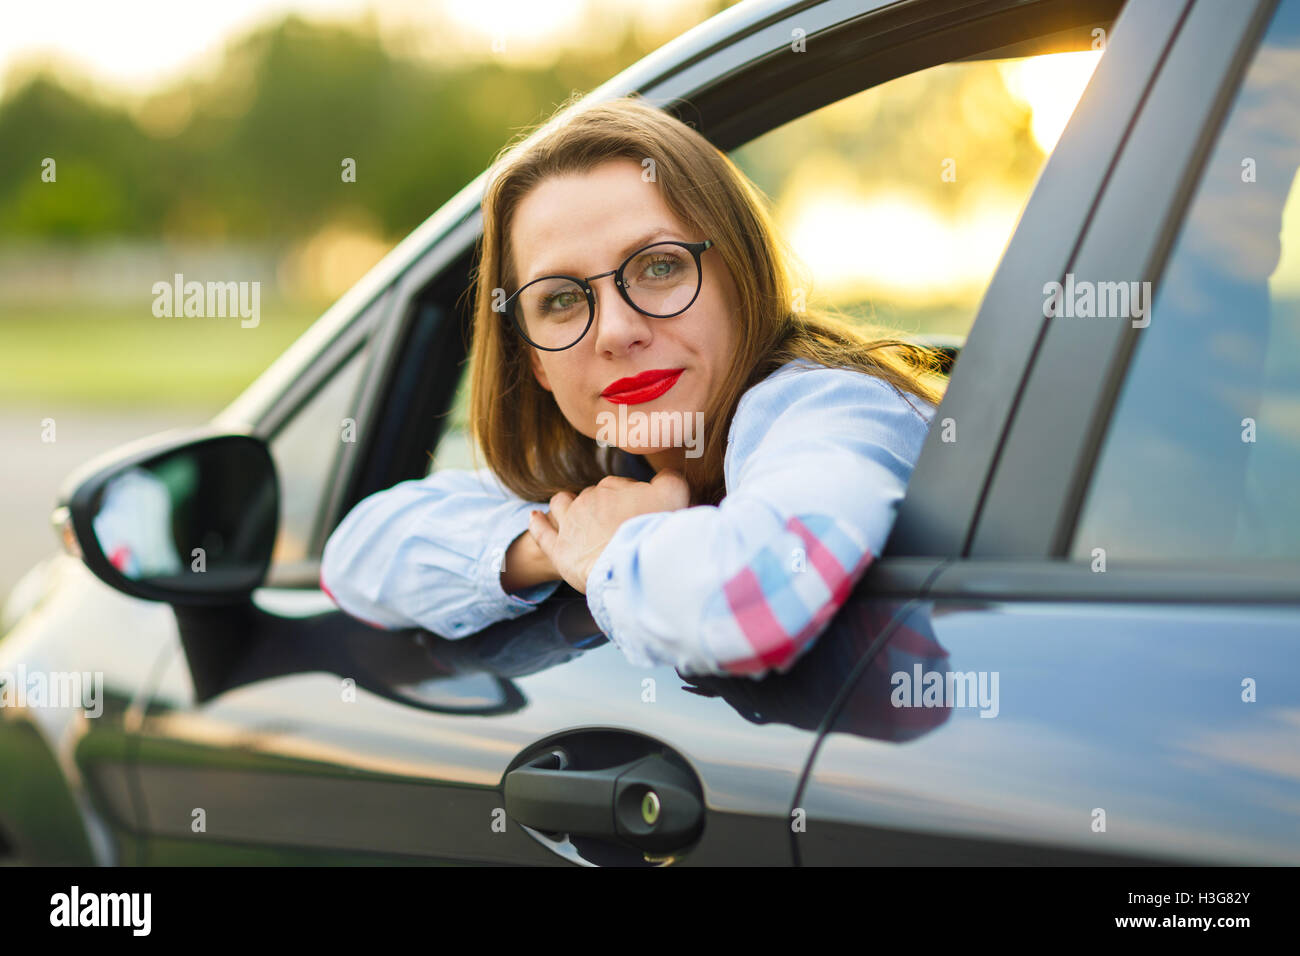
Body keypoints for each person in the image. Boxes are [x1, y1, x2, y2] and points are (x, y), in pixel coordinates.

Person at [321, 94, 945, 678]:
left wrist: (609, 550)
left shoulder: (835, 406)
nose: (616, 331)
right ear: (534, 359)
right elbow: (354, 561)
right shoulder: (612, 469)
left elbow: (758, 606)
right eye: (561, 299)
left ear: (743, 276)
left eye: (660, 266)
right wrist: (554, 545)